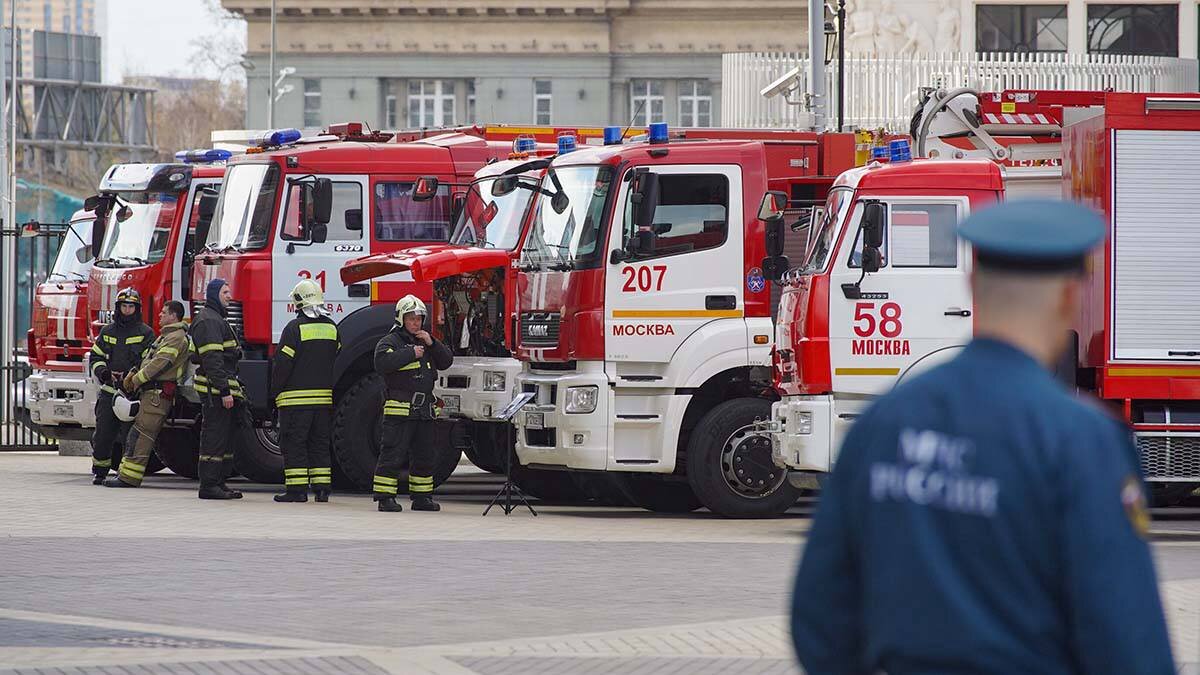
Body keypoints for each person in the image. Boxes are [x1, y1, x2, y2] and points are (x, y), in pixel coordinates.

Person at [791, 199, 1173, 674]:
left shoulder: (883, 423)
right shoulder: (1083, 442)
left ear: (973, 283)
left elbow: (818, 616)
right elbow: (1128, 641)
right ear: (1069, 296)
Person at [372, 294, 453, 512]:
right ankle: (385, 497)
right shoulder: (389, 342)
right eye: (411, 319)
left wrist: (432, 343)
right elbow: (382, 364)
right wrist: (410, 353)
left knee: (425, 455)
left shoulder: (425, 341)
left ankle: (422, 497)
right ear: (401, 318)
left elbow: (446, 361)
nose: (415, 323)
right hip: (400, 410)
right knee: (393, 453)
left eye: (419, 319)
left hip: (425, 411)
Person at [105, 301, 191, 488]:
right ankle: (126, 475)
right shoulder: (166, 336)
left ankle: (129, 478)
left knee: (142, 434)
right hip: (152, 392)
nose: (159, 315)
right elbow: (149, 360)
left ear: (174, 316)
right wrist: (134, 373)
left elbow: (160, 363)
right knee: (138, 433)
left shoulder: (176, 337)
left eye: (164, 312)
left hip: (157, 394)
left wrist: (136, 380)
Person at [271, 279, 339, 503]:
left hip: (295, 401)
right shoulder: (331, 328)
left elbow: (283, 365)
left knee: (295, 443)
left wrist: (274, 391)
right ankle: (322, 489)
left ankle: (296, 490)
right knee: (319, 443)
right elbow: (335, 354)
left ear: (298, 302)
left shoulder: (293, 329)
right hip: (323, 401)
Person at [88, 287, 155, 484]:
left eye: (131, 306)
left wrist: (131, 376)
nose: (127, 310)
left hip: (132, 394)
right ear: (118, 308)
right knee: (102, 435)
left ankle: (124, 474)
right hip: (109, 392)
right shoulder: (107, 331)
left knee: (129, 437)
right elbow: (96, 356)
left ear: (137, 309)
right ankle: (99, 471)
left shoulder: (146, 333)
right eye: (124, 306)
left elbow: (148, 361)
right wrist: (105, 373)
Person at [190, 278, 245, 500]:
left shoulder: (217, 319)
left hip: (222, 389)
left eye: (229, 292)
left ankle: (219, 483)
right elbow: (212, 360)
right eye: (225, 293)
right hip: (215, 393)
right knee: (214, 437)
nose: (229, 297)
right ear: (214, 295)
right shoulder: (208, 321)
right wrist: (224, 391)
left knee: (225, 438)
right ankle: (209, 485)